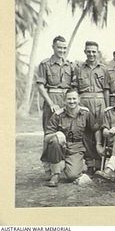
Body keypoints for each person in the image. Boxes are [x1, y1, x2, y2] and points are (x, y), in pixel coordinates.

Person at [37, 35, 75, 178]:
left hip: (67, 101)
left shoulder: (70, 65)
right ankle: (49, 170)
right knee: (50, 135)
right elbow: (41, 86)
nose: (62, 50)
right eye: (59, 47)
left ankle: (62, 167)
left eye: (64, 48)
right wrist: (51, 103)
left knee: (67, 133)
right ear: (53, 47)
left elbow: (73, 87)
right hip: (52, 99)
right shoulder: (45, 64)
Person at [40, 89, 95, 187]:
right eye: (69, 99)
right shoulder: (58, 115)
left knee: (72, 176)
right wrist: (56, 134)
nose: (72, 101)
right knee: (55, 141)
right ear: (64, 101)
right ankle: (55, 174)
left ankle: (69, 165)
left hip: (76, 148)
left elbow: (94, 128)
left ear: (79, 100)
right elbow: (47, 137)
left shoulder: (85, 113)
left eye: (74, 99)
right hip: (61, 146)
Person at [74, 41, 109, 173]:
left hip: (100, 101)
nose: (91, 54)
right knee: (86, 132)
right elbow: (76, 89)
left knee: (100, 131)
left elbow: (106, 89)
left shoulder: (104, 69)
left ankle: (101, 163)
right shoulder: (79, 68)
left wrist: (107, 108)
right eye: (89, 51)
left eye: (94, 51)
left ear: (97, 52)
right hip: (84, 100)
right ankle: (90, 164)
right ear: (85, 52)